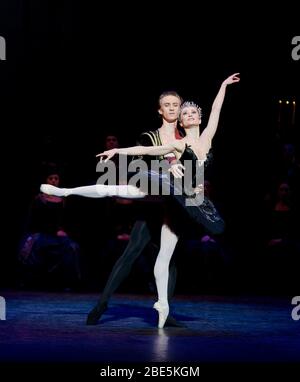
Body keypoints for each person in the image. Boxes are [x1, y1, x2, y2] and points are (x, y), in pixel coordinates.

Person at [41, 73, 240, 327]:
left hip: (183, 202)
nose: (185, 114)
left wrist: (222, 85)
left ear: (193, 116)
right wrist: (117, 150)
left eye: (186, 110)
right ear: (167, 113)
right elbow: (145, 151)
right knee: (118, 193)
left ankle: (164, 308)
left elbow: (216, 110)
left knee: (167, 257)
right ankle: (66, 192)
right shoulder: (169, 142)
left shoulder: (202, 137)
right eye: (180, 111)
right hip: (161, 191)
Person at [19, 166, 81, 290]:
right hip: (41, 232)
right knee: (33, 247)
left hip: (57, 234)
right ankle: (30, 282)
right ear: (46, 181)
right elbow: (36, 220)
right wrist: (53, 230)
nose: (53, 181)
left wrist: (62, 230)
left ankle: (67, 282)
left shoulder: (63, 199)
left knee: (72, 247)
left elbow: (66, 220)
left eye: (56, 178)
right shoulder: (39, 199)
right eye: (50, 178)